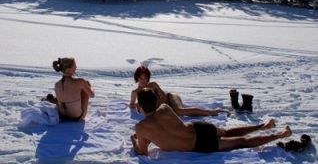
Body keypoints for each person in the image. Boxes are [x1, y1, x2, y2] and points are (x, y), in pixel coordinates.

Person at [131, 88, 292, 156]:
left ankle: (281, 134)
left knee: (240, 142)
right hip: (198, 128)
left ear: (139, 106)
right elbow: (163, 124)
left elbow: (144, 152)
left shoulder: (141, 128)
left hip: (196, 145)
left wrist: (134, 141)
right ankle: (264, 126)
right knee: (228, 133)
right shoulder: (165, 108)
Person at [130, 65, 230, 117]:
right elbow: (132, 105)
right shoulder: (135, 93)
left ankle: (213, 112)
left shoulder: (152, 85)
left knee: (180, 111)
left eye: (145, 78)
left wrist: (156, 102)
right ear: (137, 78)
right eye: (141, 78)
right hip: (164, 108)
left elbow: (164, 96)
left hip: (170, 98)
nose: (143, 81)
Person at [53, 57, 95, 121]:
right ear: (68, 70)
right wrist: (90, 86)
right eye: (74, 67)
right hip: (76, 116)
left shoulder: (57, 84)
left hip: (62, 115)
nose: (76, 68)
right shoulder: (80, 81)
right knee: (85, 85)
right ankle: (82, 115)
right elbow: (92, 95)